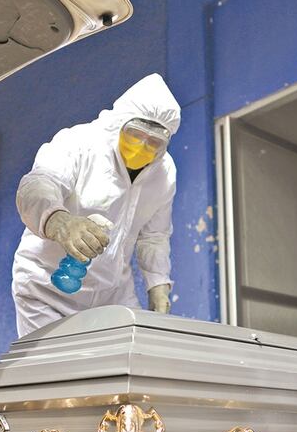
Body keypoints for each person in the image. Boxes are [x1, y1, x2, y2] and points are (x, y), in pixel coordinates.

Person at [11, 73, 180, 337]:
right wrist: (60, 222)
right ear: (119, 124)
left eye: (154, 141)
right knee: (56, 363)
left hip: (113, 294)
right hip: (47, 290)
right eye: (135, 135)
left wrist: (158, 285)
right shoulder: (80, 143)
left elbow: (154, 236)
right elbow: (39, 184)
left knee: (135, 356)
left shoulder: (164, 173)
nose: (142, 147)